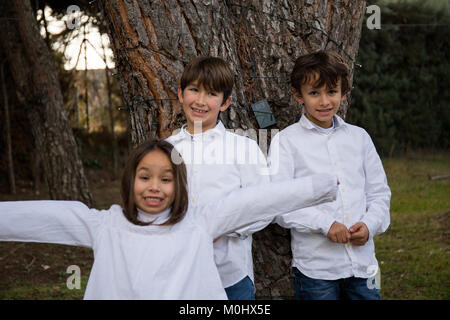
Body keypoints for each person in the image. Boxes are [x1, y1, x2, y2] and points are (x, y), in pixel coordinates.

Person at [0, 139, 338, 300]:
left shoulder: (200, 221)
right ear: (130, 181)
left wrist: (319, 187)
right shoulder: (107, 225)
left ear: (178, 187)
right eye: (145, 176)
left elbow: (255, 201)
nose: (154, 187)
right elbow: (47, 216)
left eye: (165, 179)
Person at [269, 50, 391, 300]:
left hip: (364, 264)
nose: (324, 101)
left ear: (344, 93)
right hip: (317, 269)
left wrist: (369, 225)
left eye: (332, 92)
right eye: (314, 93)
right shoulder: (286, 141)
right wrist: (326, 225)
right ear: (298, 95)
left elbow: (379, 193)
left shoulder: (359, 138)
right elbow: (279, 204)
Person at [166, 56, 272, 299]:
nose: (201, 101)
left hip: (230, 275)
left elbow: (264, 207)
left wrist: (222, 227)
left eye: (212, 94)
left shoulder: (243, 149)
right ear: (181, 94)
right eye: (194, 90)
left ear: (226, 102)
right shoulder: (165, 150)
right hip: (177, 273)